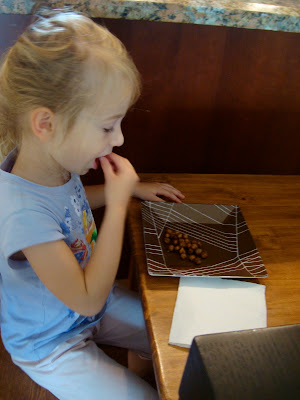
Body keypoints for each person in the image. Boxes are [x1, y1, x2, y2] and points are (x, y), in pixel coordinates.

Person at [0, 8, 185, 400]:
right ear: (46, 124)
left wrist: (130, 190)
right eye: (106, 126)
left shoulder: (53, 165)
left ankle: (143, 365)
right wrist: (117, 207)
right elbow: (87, 298)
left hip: (89, 308)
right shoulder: (21, 213)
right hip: (51, 342)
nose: (118, 140)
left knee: (173, 331)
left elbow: (70, 208)